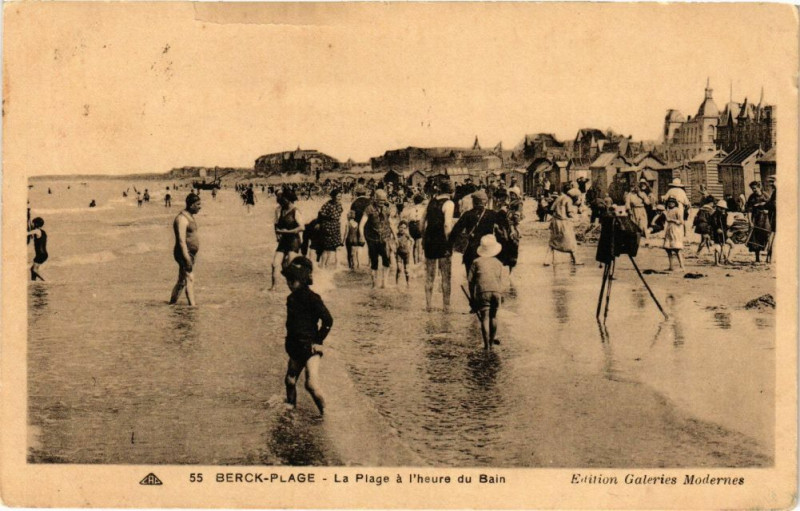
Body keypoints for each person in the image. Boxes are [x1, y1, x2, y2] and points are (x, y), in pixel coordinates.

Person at [281, 256, 332, 416]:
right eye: (288, 281)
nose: (289, 284)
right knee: (290, 380)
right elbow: (291, 325)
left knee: (310, 385)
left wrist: (318, 341)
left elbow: (328, 320)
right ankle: (290, 408)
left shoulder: (313, 298)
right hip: (296, 346)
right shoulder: (291, 299)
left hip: (311, 347)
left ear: (302, 280)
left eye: (293, 281)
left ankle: (326, 413)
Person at [421, 180, 455, 310]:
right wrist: (449, 241)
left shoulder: (431, 202)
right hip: (442, 241)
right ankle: (446, 306)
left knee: (430, 275)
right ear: (451, 191)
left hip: (430, 240)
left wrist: (424, 239)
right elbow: (447, 224)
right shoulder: (449, 203)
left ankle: (428, 305)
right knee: (446, 276)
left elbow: (422, 222)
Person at [467, 235, 505, 349]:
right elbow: (501, 281)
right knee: (493, 317)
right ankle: (492, 341)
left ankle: (487, 345)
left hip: (483, 292)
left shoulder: (476, 262)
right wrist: (501, 295)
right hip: (496, 291)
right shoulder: (498, 263)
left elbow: (470, 282)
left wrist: (472, 298)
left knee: (485, 317)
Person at [450, 189, 499, 275]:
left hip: (471, 250)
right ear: (485, 202)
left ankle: (472, 288)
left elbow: (456, 230)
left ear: (474, 202)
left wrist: (449, 245)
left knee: (471, 275)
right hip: (487, 249)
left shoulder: (467, 214)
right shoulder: (492, 214)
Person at [169, 193, 201, 305]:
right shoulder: (181, 219)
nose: (200, 207)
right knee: (189, 278)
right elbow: (181, 241)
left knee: (181, 281)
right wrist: (186, 257)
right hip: (183, 253)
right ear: (191, 205)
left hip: (190, 253)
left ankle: (172, 304)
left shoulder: (190, 216)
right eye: (198, 204)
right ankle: (193, 307)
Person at [359, 189, 395, 288]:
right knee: (374, 262)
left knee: (386, 261)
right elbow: (361, 224)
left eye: (384, 200)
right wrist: (362, 236)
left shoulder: (387, 209)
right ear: (375, 199)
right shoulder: (369, 209)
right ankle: (374, 284)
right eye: (380, 200)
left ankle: (385, 283)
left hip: (385, 238)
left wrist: (395, 236)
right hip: (373, 239)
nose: (382, 203)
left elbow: (390, 223)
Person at [271, 189, 304, 291]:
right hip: (283, 241)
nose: (280, 200)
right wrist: (277, 234)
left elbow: (302, 227)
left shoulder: (296, 211)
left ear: (289, 199)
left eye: (282, 198)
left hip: (294, 241)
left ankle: (296, 288)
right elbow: (276, 224)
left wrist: (286, 232)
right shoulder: (279, 210)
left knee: (290, 266)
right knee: (275, 264)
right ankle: (273, 288)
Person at [544, 189, 582, 266]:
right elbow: (569, 213)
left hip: (555, 222)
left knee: (553, 241)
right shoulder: (569, 200)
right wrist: (577, 218)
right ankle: (576, 260)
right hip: (563, 223)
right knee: (571, 241)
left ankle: (547, 260)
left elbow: (551, 209)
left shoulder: (559, 197)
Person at [745, 180, 772, 263]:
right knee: (756, 238)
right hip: (756, 218)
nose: (754, 190)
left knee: (767, 237)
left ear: (759, 187)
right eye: (752, 189)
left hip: (766, 219)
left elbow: (772, 207)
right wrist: (750, 221)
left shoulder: (766, 196)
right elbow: (749, 210)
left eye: (755, 188)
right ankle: (757, 258)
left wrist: (767, 211)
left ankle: (769, 258)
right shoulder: (751, 197)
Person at [317, 189, 343, 269]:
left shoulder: (339, 204)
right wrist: (320, 223)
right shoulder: (327, 204)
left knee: (334, 248)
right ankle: (322, 265)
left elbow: (339, 214)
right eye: (338, 196)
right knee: (326, 248)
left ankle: (327, 265)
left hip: (336, 227)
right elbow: (320, 214)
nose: (339, 197)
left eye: (340, 196)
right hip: (328, 227)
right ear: (333, 196)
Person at [401, 195, 425, 264]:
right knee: (419, 243)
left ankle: (415, 261)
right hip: (419, 225)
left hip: (412, 226)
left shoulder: (410, 208)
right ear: (421, 202)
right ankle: (419, 261)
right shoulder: (423, 208)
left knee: (414, 244)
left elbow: (403, 216)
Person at [663, 197, 684, 271]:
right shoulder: (668, 210)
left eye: (672, 202)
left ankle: (682, 266)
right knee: (668, 249)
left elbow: (681, 221)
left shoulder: (677, 210)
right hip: (669, 229)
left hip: (675, 230)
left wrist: (671, 220)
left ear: (675, 204)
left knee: (677, 249)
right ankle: (671, 266)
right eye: (669, 202)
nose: (670, 204)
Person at [710, 199, 731, 265]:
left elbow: (725, 224)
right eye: (722, 208)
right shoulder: (715, 215)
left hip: (723, 232)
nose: (723, 210)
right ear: (718, 208)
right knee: (718, 246)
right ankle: (717, 262)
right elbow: (713, 223)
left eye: (724, 209)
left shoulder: (724, 214)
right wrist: (717, 228)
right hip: (717, 232)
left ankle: (726, 259)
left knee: (726, 245)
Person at [28, 217, 47, 281]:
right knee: (32, 269)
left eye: (33, 223)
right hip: (43, 254)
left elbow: (26, 233)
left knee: (34, 270)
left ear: (36, 224)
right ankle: (34, 282)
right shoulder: (42, 232)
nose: (32, 224)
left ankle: (45, 280)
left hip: (40, 254)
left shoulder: (36, 231)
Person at [395, 220, 414, 286]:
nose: (402, 229)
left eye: (404, 228)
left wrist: (410, 247)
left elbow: (412, 241)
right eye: (401, 227)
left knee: (407, 270)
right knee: (399, 268)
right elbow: (392, 242)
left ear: (406, 229)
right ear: (398, 227)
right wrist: (394, 248)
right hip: (399, 254)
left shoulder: (407, 235)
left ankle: (408, 283)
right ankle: (397, 283)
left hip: (406, 254)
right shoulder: (396, 235)